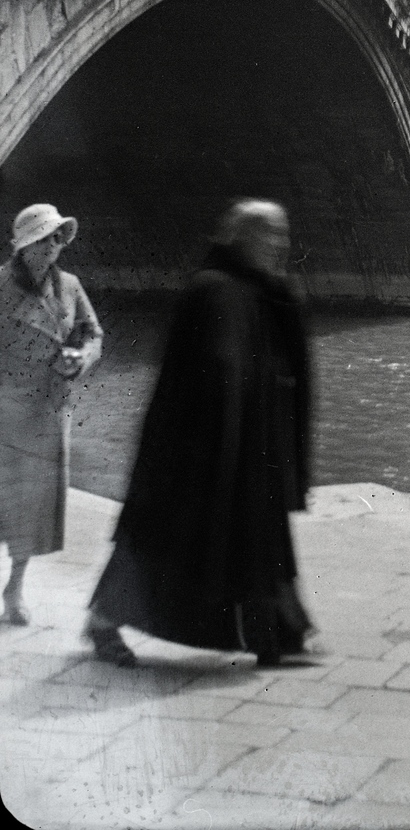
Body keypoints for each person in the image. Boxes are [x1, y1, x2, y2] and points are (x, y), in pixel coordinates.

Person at [85, 199, 313, 668]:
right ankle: (103, 623)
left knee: (255, 545)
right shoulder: (213, 290)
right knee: (165, 541)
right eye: (270, 235)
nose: (281, 245)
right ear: (243, 238)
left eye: (283, 235)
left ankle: (274, 637)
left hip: (248, 450)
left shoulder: (257, 290)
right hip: (198, 452)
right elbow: (211, 375)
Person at [0, 204, 103, 626]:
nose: (52, 246)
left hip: (48, 409)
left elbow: (93, 333)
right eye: (43, 239)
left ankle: (15, 586)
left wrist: (81, 358)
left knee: (33, 505)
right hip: (5, 407)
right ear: (23, 248)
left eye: (57, 238)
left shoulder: (70, 287)